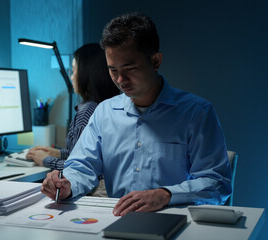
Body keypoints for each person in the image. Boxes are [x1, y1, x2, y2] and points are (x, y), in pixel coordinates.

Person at [41, 13, 232, 216]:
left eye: (129, 68)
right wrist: (67, 184)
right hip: (118, 220)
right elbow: (82, 166)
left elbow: (217, 183)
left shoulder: (197, 113)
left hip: (174, 220)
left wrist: (166, 194)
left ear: (156, 61)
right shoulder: (104, 113)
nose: (120, 80)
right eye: (113, 70)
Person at [26, 43, 121, 171]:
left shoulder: (88, 111)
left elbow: (80, 168)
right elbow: (81, 154)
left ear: (86, 75)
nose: (71, 76)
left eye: (74, 70)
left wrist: (45, 160)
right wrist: (58, 153)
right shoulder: (108, 105)